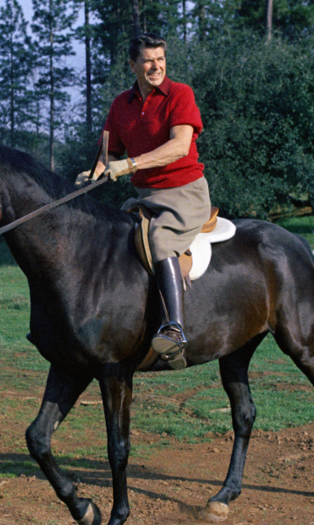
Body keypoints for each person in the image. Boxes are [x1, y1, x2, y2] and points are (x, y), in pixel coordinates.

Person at [76, 32, 211, 369]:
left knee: (161, 241)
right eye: (148, 60)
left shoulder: (180, 94)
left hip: (185, 193)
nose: (156, 66)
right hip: (145, 196)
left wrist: (131, 165)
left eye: (160, 59)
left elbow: (180, 146)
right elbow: (110, 155)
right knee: (116, 239)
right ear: (132, 65)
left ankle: (175, 330)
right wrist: (93, 174)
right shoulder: (121, 104)